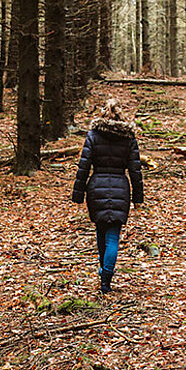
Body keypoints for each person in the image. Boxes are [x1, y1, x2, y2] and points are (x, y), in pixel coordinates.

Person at [72, 99, 144, 294]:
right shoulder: (128, 138)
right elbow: (135, 170)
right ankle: (106, 278)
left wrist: (78, 195)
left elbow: (83, 166)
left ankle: (104, 275)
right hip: (120, 187)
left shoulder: (93, 135)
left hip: (96, 188)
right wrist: (138, 198)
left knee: (100, 231)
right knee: (113, 236)